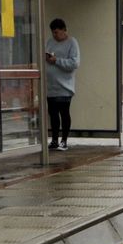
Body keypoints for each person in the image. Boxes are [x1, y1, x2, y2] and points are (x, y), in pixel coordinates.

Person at [44, 18, 80, 151]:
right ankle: (54, 139)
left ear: (64, 30)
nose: (55, 35)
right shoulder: (49, 42)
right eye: (53, 33)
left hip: (65, 87)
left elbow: (74, 63)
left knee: (64, 113)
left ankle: (64, 140)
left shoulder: (72, 42)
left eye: (57, 32)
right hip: (50, 86)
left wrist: (56, 61)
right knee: (52, 114)